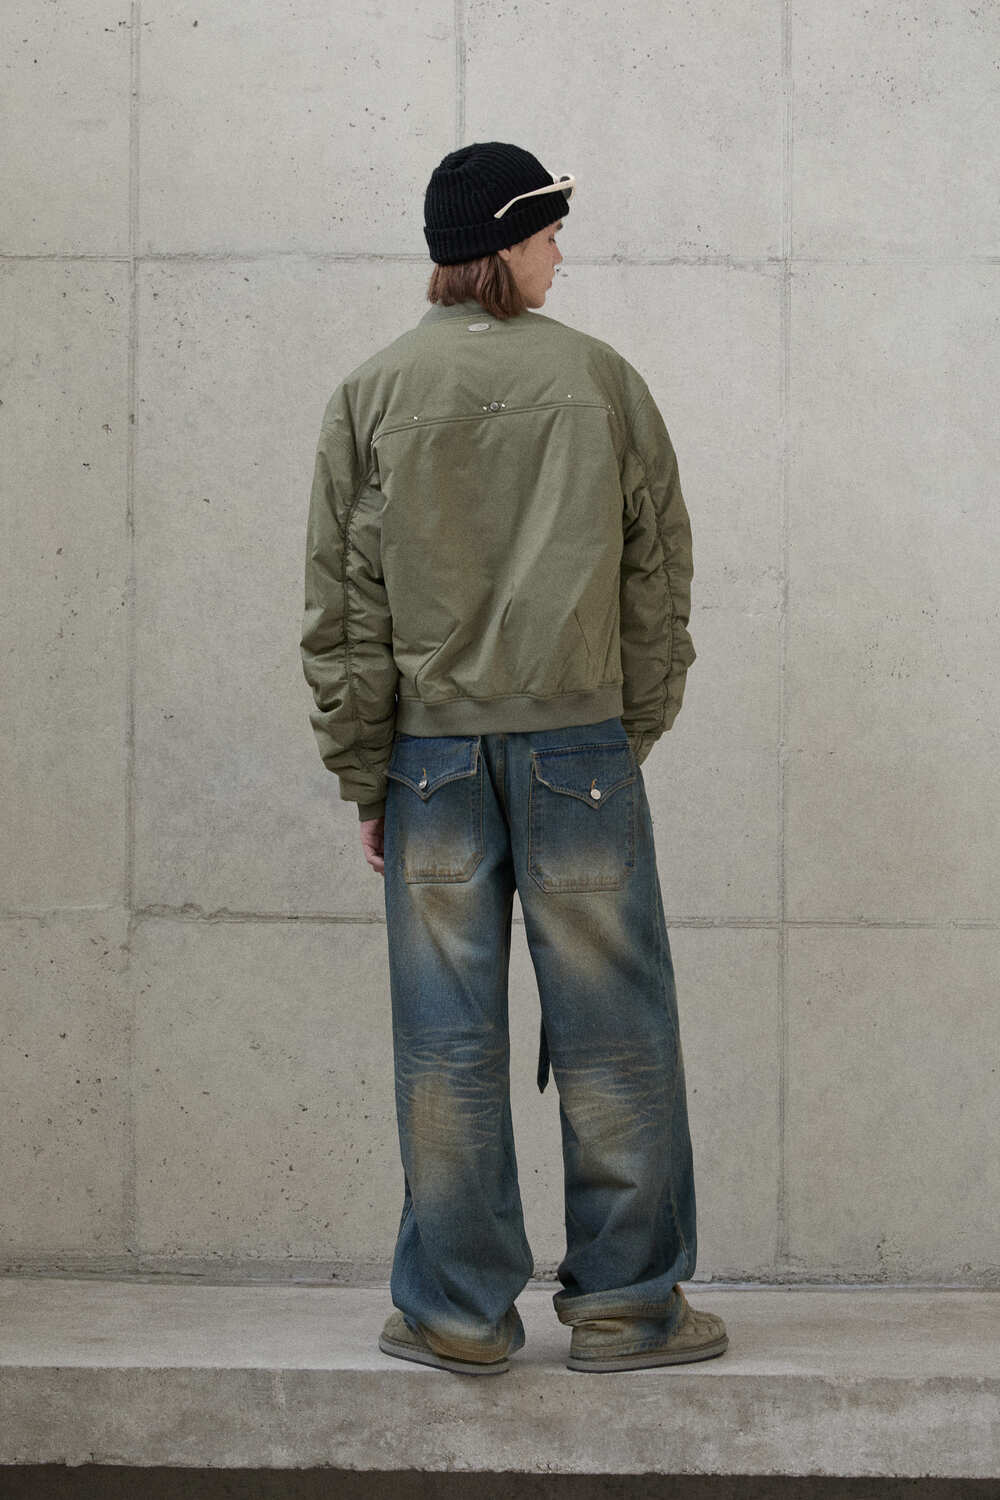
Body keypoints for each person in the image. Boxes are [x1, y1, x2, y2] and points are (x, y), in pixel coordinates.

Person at [300, 141, 728, 1376]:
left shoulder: (371, 392)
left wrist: (364, 771)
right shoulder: (598, 379)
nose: (559, 254)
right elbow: (658, 574)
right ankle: (627, 1310)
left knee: (445, 1044)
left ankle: (455, 1313)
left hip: (428, 765)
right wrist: (624, 732)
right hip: (579, 750)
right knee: (617, 1034)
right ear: (498, 246)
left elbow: (345, 608)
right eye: (546, 234)